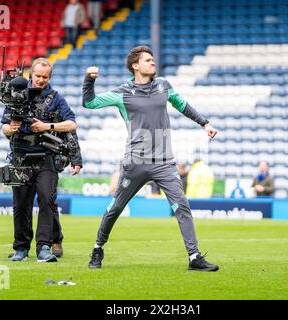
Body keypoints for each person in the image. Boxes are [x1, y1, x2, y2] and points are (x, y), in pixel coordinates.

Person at [82, 46, 219, 271]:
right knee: (116, 207)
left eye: (153, 59)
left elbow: (183, 106)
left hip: (164, 162)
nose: (153, 62)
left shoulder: (163, 85)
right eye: (148, 60)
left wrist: (205, 123)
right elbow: (89, 103)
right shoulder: (123, 92)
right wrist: (89, 80)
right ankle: (98, 248)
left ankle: (194, 257)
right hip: (135, 162)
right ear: (135, 66)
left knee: (182, 205)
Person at [1, 58, 81, 263]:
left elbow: (72, 124)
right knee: (20, 205)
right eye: (38, 76)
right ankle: (20, 248)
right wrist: (10, 130)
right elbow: (4, 127)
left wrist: (47, 127)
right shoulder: (15, 94)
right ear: (31, 75)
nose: (41, 80)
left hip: (46, 157)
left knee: (47, 200)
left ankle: (44, 247)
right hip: (20, 156)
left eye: (45, 77)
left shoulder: (56, 98)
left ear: (49, 77)